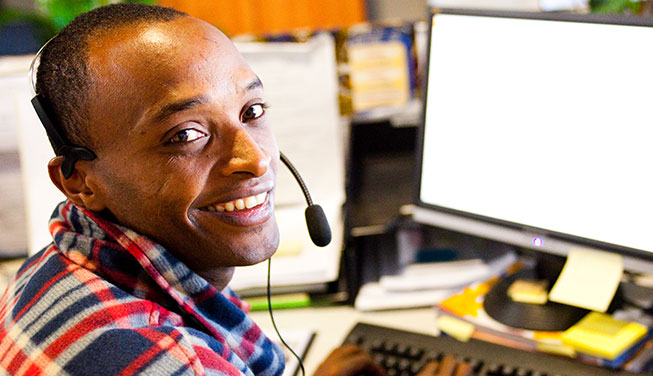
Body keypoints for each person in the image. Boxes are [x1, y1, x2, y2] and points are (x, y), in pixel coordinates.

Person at [0, 3, 471, 376]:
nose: (256, 158)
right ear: (78, 181)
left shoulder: (47, 270)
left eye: (252, 111)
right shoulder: (162, 359)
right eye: (185, 135)